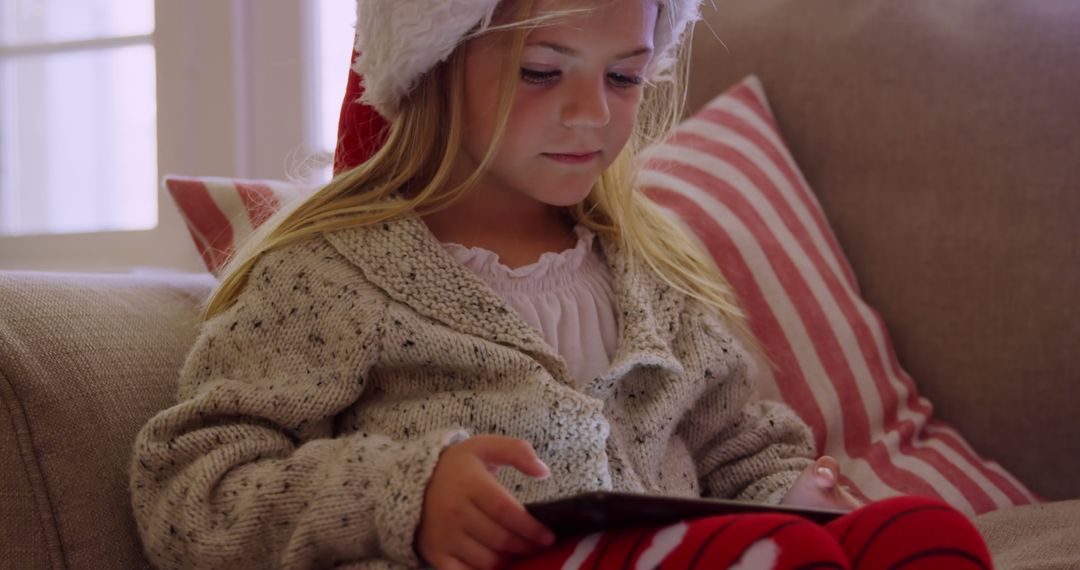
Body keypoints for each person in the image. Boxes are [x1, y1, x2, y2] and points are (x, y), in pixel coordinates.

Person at [129, 0, 992, 568]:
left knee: (925, 538)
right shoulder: (332, 275)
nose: (594, 115)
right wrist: (404, 494)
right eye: (543, 72)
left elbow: (743, 449)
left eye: (623, 77)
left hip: (703, 548)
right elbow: (188, 488)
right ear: (432, 65)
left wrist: (793, 493)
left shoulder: (653, 273)